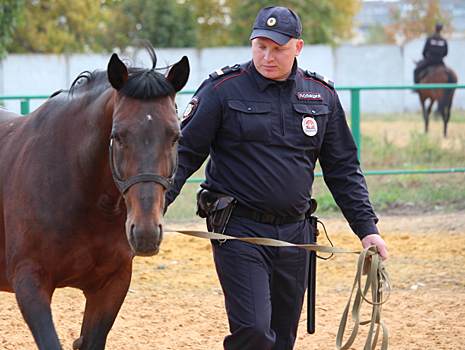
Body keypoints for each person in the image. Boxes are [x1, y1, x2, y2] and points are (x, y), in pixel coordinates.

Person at [164, 6, 389, 350]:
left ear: (297, 48)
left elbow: (343, 170)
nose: (267, 57)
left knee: (282, 339)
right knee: (254, 332)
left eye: (278, 48)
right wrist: (148, 215)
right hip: (238, 232)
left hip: (297, 236)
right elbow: (182, 157)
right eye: (261, 46)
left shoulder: (321, 95)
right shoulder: (221, 90)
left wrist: (367, 229)